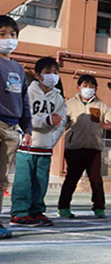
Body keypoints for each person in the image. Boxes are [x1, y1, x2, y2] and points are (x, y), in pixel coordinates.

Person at [10, 57, 66, 227]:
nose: (52, 76)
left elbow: (60, 123)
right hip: (26, 146)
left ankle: (36, 211)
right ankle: (19, 213)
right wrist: (46, 120)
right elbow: (23, 117)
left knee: (41, 182)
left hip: (45, 147)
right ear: (37, 75)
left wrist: (51, 141)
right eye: (48, 72)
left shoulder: (58, 98)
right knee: (23, 181)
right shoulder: (27, 93)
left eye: (56, 73)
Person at [57, 74, 111, 218]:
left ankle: (99, 208)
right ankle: (64, 207)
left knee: (96, 180)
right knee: (72, 178)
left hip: (94, 148)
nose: (88, 89)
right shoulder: (69, 104)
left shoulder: (101, 105)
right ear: (78, 87)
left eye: (92, 87)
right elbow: (60, 123)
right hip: (74, 148)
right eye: (85, 86)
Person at [0, 15, 31, 239]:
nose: (8, 39)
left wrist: (27, 128)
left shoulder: (18, 69)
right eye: (2, 35)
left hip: (12, 128)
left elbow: (24, 100)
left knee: (1, 177)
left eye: (12, 35)